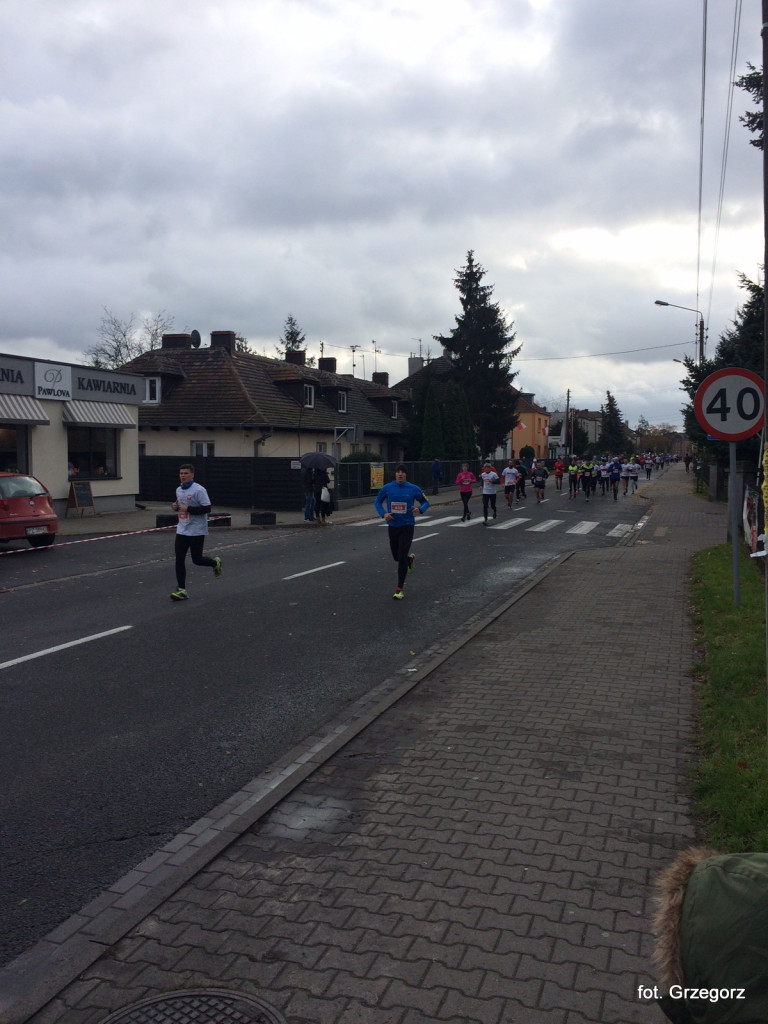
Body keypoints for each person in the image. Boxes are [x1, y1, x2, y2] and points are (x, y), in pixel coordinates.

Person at [374, 464, 429, 599]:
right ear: (395, 474)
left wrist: (420, 509)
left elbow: (426, 502)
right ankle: (409, 560)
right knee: (397, 557)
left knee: (401, 554)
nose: (400, 474)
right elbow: (377, 502)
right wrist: (384, 514)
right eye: (398, 472)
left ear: (406, 475)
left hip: (407, 525)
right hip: (393, 525)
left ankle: (399, 589)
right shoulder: (387, 488)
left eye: (402, 472)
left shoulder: (413, 488)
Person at [170, 463, 222, 601]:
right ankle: (182, 590)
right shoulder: (179, 490)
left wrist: (189, 509)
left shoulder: (199, 490)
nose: (183, 476)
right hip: (182, 529)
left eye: (186, 473)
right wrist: (174, 507)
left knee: (197, 560)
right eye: (181, 473)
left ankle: (214, 563)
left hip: (197, 530)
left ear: (192, 475)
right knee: (179, 559)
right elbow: (179, 505)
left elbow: (207, 508)